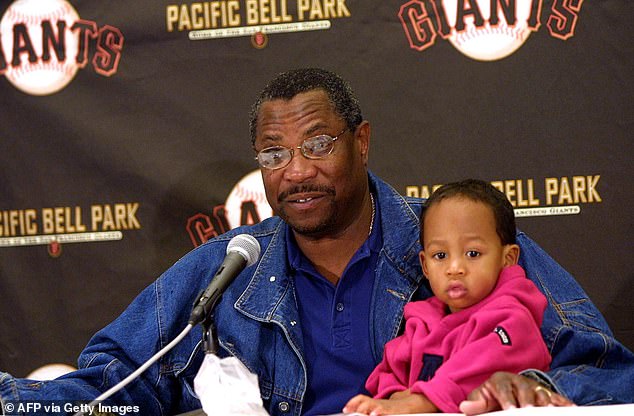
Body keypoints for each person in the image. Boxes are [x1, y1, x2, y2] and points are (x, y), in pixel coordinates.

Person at [0, 68, 633, 416]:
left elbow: (610, 374)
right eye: (274, 154)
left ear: (362, 142)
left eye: (318, 145)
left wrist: (539, 388)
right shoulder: (233, 267)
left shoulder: (457, 241)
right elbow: (111, 387)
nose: (295, 170)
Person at [343, 179, 552, 415]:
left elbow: (483, 363)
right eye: (440, 255)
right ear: (425, 265)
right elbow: (389, 370)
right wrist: (395, 395)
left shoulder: (514, 319)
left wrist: (421, 402)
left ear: (508, 258)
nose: (454, 268)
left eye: (473, 253)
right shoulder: (420, 322)